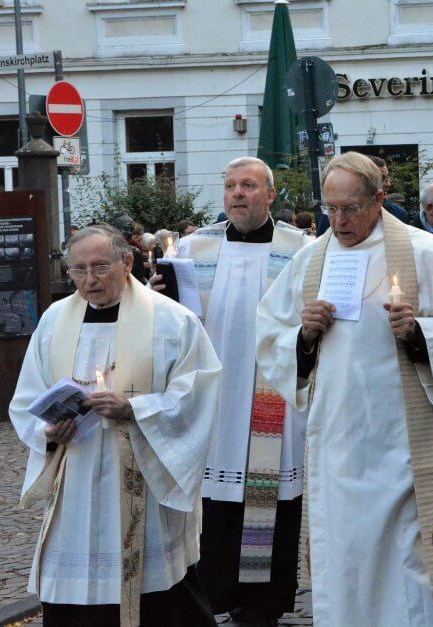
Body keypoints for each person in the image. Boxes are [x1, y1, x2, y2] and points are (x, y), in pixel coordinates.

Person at [254, 152, 433, 625]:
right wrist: (302, 336)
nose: (338, 221)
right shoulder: (310, 260)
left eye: (350, 209)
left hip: (411, 448)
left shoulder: (427, 254)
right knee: (350, 565)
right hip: (342, 450)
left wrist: (421, 332)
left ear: (379, 199)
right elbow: (269, 339)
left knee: (417, 571)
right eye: (330, 209)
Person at [9, 224, 221, 626]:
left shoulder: (171, 320)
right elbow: (26, 400)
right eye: (78, 270)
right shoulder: (55, 320)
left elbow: (198, 392)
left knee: (156, 595)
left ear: (127, 263)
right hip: (75, 476)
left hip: (143, 473)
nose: (89, 280)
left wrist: (136, 409)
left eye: (100, 267)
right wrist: (48, 434)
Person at [152, 156, 309, 626]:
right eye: (230, 186)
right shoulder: (194, 248)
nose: (238, 193)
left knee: (269, 497)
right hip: (214, 392)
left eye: (249, 185)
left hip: (272, 392)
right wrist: (157, 291)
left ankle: (263, 602)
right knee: (213, 498)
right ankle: (212, 593)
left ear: (271, 195)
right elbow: (169, 321)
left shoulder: (301, 249)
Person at [315, 154, 408, 235]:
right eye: (380, 178)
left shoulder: (398, 213)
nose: (388, 184)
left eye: (386, 178)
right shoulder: (331, 215)